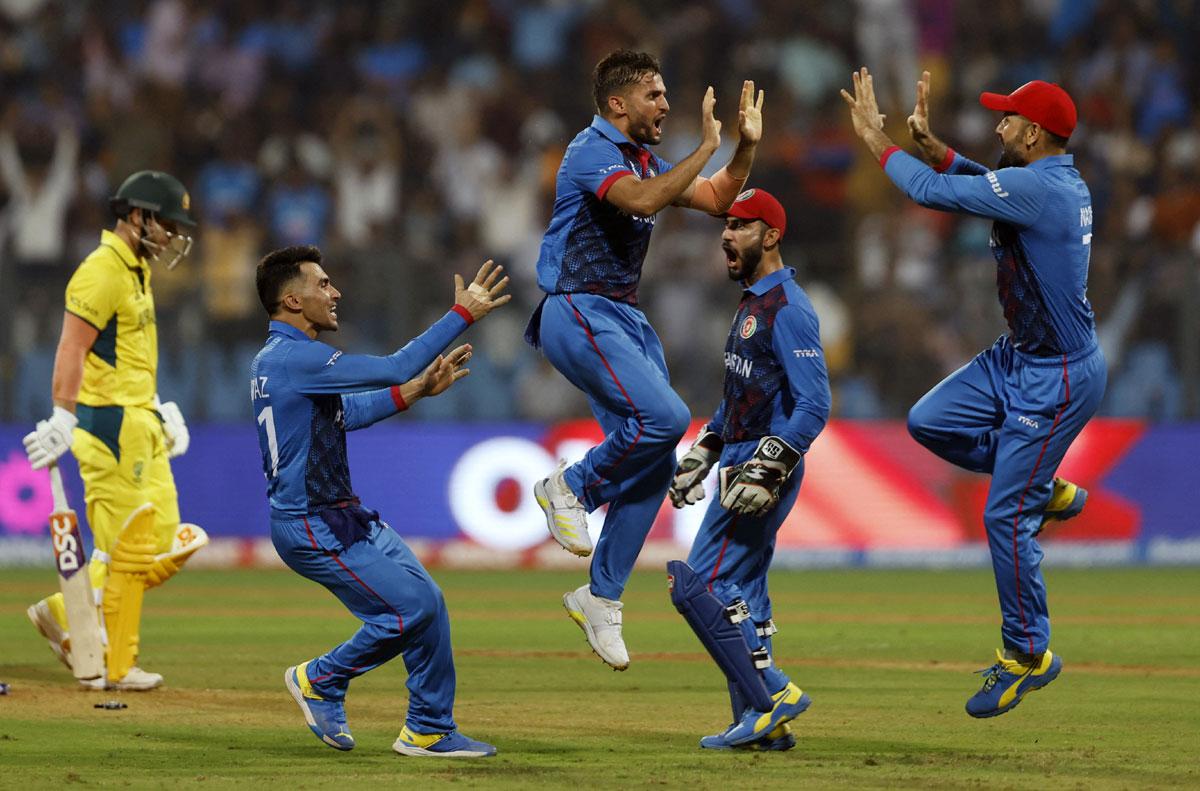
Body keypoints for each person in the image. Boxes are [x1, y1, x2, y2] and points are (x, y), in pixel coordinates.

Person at [842, 68, 1105, 717]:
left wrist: (878, 140)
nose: (998, 126)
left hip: (1057, 375)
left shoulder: (1038, 188)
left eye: (1009, 119)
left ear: (1036, 133)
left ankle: (1028, 653)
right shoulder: (1047, 182)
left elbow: (936, 193)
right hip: (1017, 357)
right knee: (930, 420)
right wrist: (933, 146)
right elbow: (972, 180)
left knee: (1002, 516)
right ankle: (1043, 486)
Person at [527, 49, 764, 670]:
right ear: (617, 104)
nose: (665, 104)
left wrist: (742, 146)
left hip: (623, 318)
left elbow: (715, 200)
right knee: (664, 417)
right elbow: (640, 202)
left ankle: (600, 598)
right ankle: (569, 486)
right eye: (654, 95)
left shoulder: (640, 158)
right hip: (577, 307)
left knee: (655, 461)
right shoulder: (590, 153)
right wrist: (705, 146)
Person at [250, 245, 509, 758]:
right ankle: (319, 679)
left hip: (340, 514)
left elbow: (347, 414)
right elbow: (393, 367)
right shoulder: (294, 357)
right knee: (408, 609)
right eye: (322, 284)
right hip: (312, 523)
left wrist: (416, 392)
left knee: (429, 605)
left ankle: (429, 729)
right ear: (292, 300)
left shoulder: (282, 360)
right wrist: (463, 314)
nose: (335, 291)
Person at [23, 170, 207, 691]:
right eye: (166, 223)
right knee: (126, 554)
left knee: (167, 542)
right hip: (107, 426)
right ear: (136, 216)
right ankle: (116, 659)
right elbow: (71, 347)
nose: (172, 235)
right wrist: (63, 412)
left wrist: (155, 405)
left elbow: (121, 353)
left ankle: (67, 611)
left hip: (136, 420)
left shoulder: (135, 270)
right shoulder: (102, 270)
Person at [667, 189, 830, 750]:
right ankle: (764, 727)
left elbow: (813, 404)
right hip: (740, 455)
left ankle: (770, 692)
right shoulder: (754, 302)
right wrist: (708, 445)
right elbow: (746, 393)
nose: (726, 235)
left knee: (698, 586)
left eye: (740, 226)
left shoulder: (789, 308)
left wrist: (769, 467)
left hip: (762, 464)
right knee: (745, 593)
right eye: (726, 226)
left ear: (772, 235)